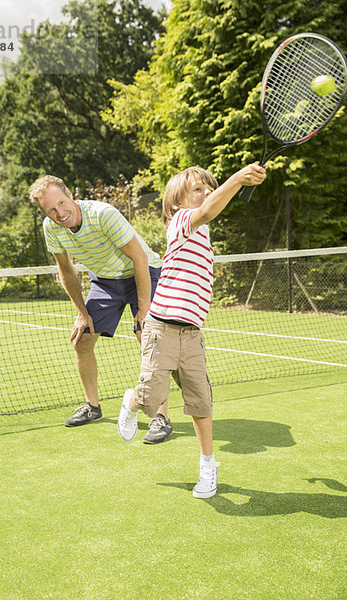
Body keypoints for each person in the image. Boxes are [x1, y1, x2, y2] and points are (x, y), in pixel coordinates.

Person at [117, 163, 267, 498]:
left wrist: (241, 183)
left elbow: (213, 206)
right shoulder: (180, 224)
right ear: (176, 203)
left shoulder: (204, 240)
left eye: (208, 188)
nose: (205, 194)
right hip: (162, 329)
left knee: (202, 403)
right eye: (197, 190)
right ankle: (132, 400)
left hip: (192, 336)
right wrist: (239, 178)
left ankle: (207, 465)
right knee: (152, 399)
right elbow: (208, 209)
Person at [28, 175, 172, 442]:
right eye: (51, 210)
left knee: (148, 338)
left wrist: (145, 309)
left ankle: (160, 417)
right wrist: (82, 312)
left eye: (61, 202)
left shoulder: (103, 214)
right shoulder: (52, 228)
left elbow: (139, 257)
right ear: (45, 213)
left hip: (144, 271)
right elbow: (66, 270)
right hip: (106, 281)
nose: (60, 213)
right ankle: (92, 407)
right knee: (81, 340)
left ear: (69, 193)